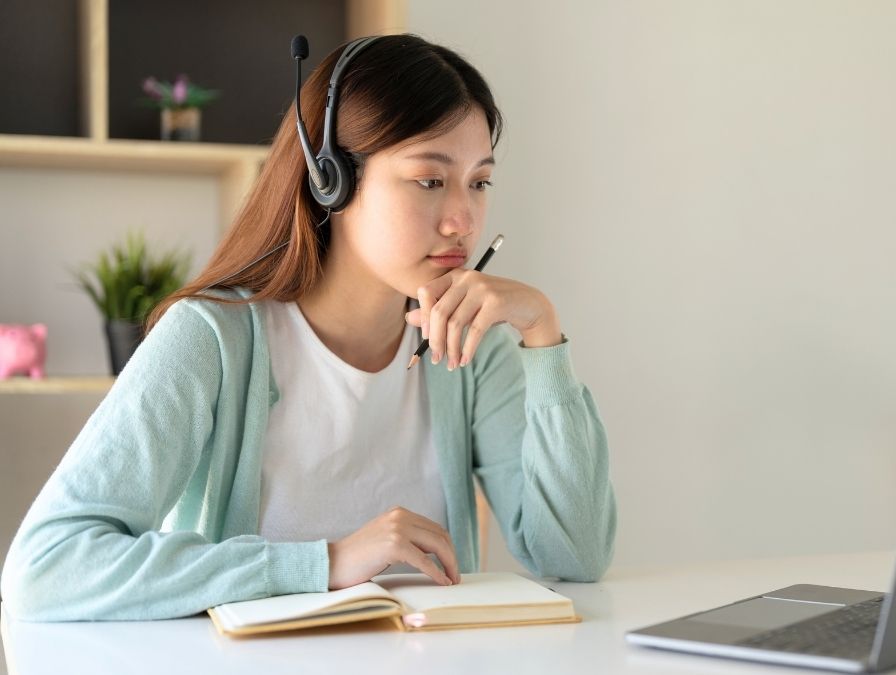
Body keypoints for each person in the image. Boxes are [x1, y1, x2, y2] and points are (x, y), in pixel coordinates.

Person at [0, 34, 616, 621]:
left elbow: (574, 558)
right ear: (332, 181)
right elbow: (45, 567)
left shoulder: (469, 348)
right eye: (430, 180)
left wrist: (542, 334)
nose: (462, 219)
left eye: (479, 182)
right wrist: (327, 563)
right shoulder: (214, 338)